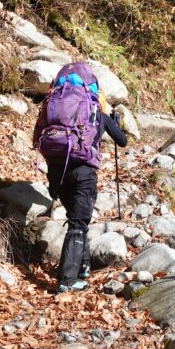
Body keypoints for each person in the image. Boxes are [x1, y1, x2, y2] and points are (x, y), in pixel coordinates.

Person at [33, 62, 128, 293]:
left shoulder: (52, 105)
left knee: (77, 219)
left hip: (57, 169)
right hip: (83, 172)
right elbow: (122, 141)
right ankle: (66, 280)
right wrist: (112, 122)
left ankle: (82, 268)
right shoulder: (97, 112)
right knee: (78, 223)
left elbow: (37, 137)